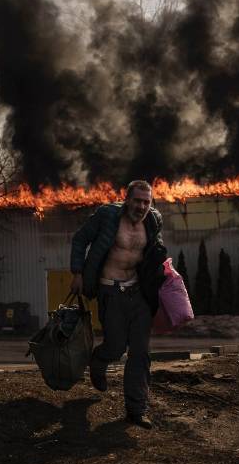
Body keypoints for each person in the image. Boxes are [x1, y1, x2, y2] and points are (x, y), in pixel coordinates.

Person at [69, 179, 166, 428]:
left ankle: (136, 410)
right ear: (127, 199)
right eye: (137, 200)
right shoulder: (107, 215)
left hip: (138, 294)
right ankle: (99, 361)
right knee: (115, 347)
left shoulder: (154, 221)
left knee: (140, 352)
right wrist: (77, 272)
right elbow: (80, 239)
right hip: (110, 291)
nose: (142, 206)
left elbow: (155, 251)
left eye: (147, 201)